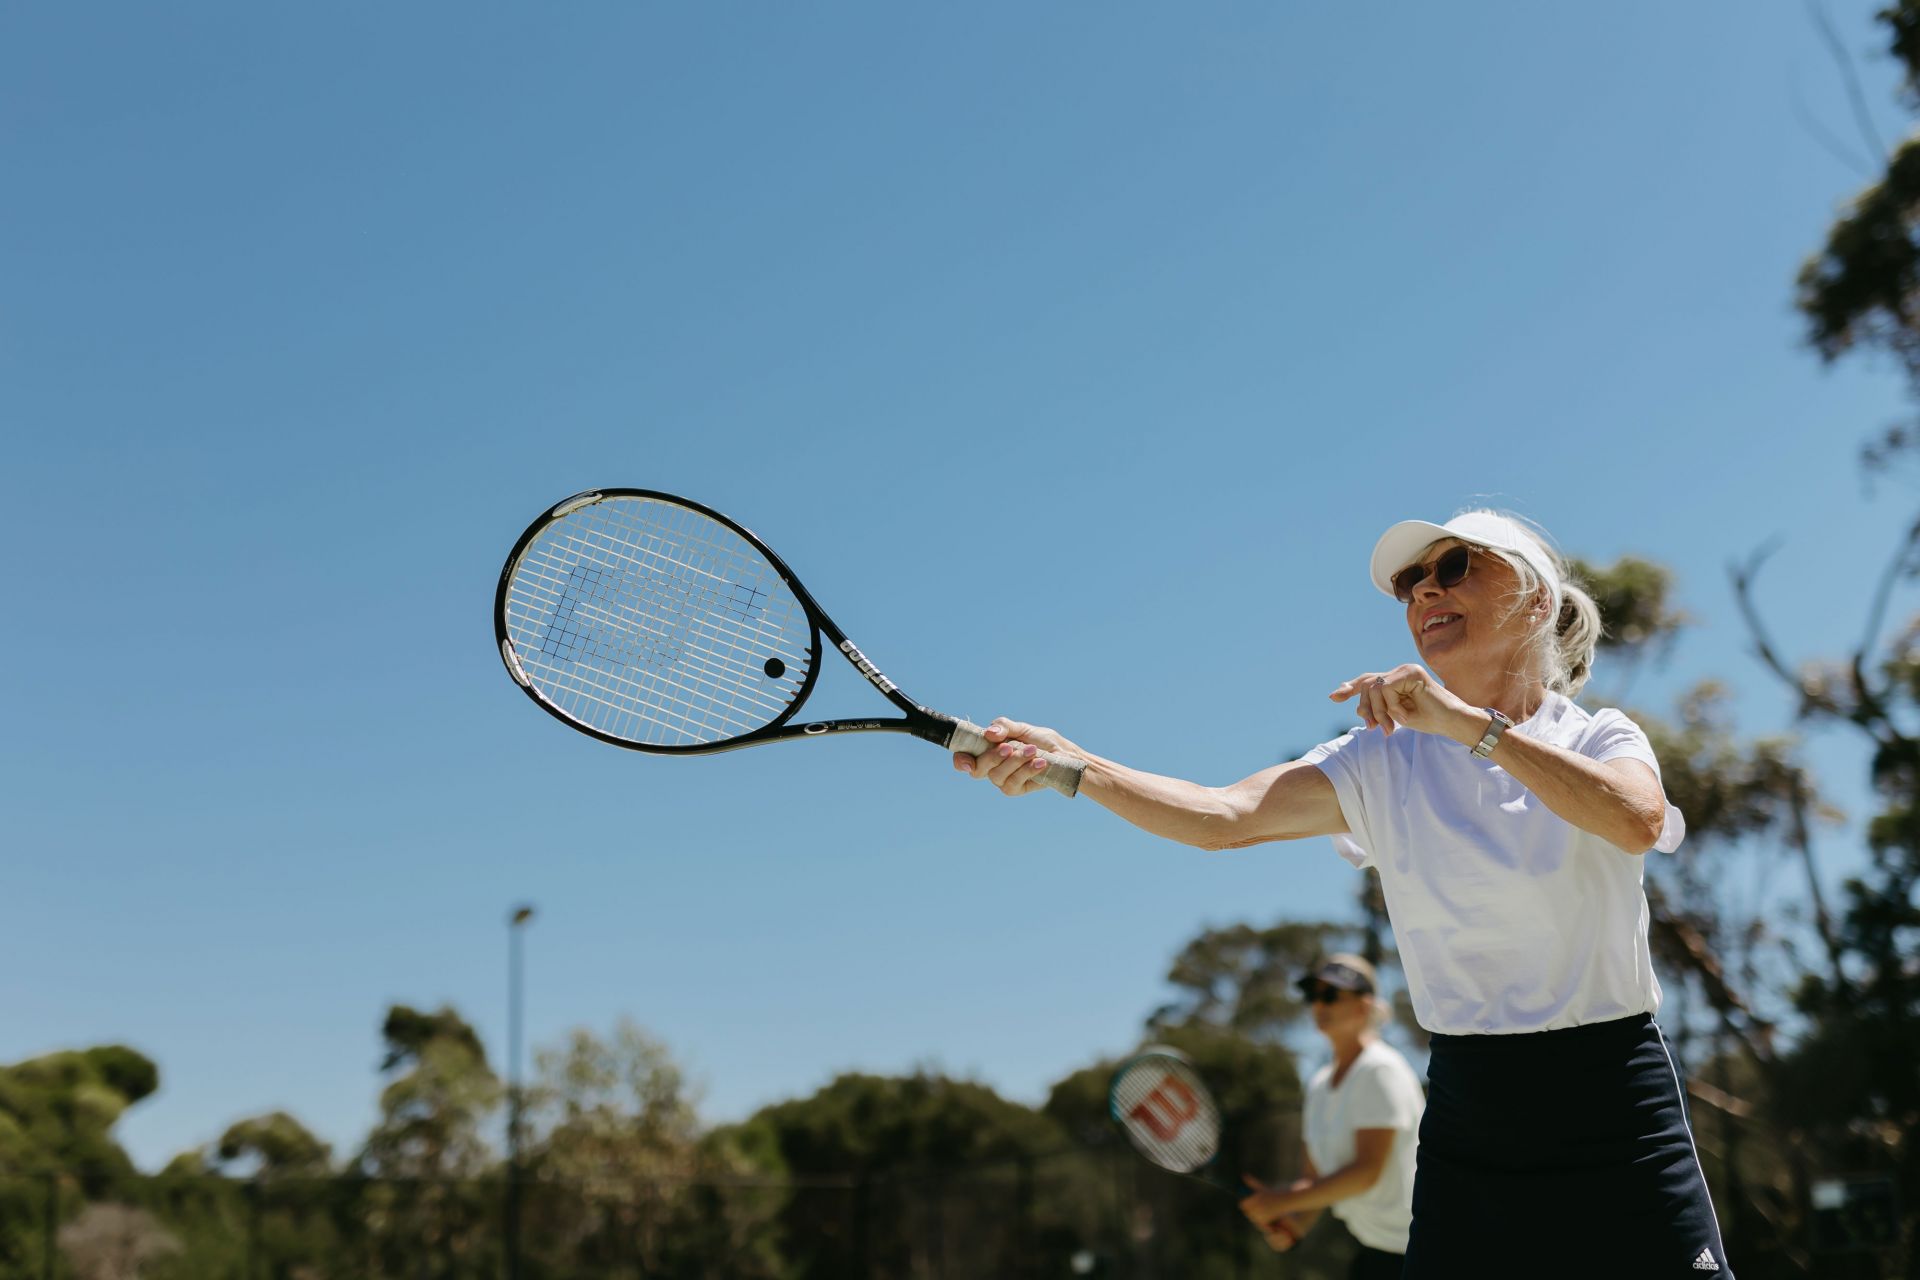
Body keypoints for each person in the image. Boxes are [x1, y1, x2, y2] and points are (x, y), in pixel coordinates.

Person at [954, 509, 1733, 1279]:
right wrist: (1071, 764)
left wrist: (1467, 725)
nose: (1425, 591)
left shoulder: (1601, 738)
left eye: (1454, 566)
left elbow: (1635, 820)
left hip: (1615, 1101)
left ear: (1535, 600)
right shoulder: (1377, 759)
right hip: (1472, 1110)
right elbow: (1222, 817)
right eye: (1409, 582)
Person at [1243, 953, 1423, 1279]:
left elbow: (1366, 1172)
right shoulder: (1319, 1085)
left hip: (1423, 1253)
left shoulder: (1380, 1069)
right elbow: (1315, 1181)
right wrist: (1295, 1224)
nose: (1318, 1005)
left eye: (1331, 995)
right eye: (1313, 995)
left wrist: (1281, 1202)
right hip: (1375, 1251)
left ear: (1363, 1006)